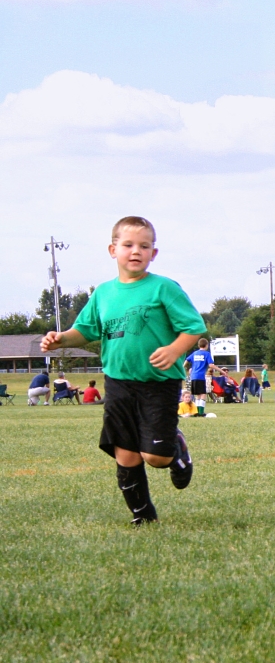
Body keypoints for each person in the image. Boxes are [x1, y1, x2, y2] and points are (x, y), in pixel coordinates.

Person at [40, 216, 203, 525]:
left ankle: (176, 447)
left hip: (158, 383)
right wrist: (61, 339)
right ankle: (143, 516)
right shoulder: (103, 293)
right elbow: (85, 330)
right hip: (118, 382)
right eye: (128, 245)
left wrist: (174, 350)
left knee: (156, 458)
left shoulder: (163, 288)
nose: (135, 251)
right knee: (125, 453)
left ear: (153, 253)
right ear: (112, 249)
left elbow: (193, 329)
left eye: (144, 246)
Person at [185, 338, 218, 417]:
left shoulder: (194, 353)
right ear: (206, 345)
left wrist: (183, 368)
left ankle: (196, 412)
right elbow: (210, 365)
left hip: (193, 376)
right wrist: (221, 370)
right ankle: (201, 412)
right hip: (200, 377)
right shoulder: (206, 354)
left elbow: (187, 360)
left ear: (199, 345)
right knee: (203, 394)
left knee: (197, 395)